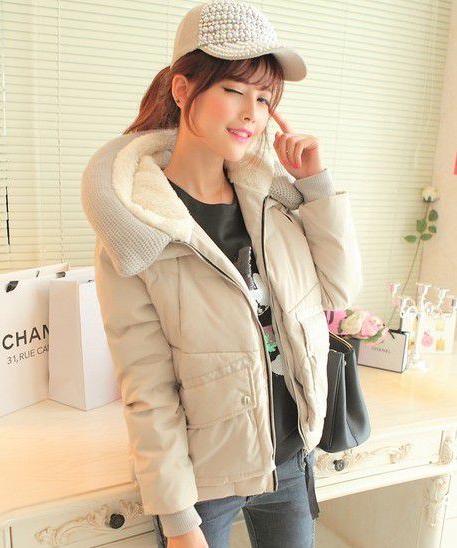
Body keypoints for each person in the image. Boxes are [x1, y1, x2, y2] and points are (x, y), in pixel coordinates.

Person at [80, 1, 363, 547]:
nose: (251, 113)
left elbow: (338, 289)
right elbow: (147, 388)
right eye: (234, 90)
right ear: (182, 89)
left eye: (264, 99)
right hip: (204, 483)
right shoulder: (140, 225)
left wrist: (316, 186)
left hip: (291, 459)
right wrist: (178, 520)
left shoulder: (274, 201)